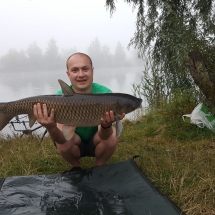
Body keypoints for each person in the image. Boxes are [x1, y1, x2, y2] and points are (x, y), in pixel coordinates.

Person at [33, 52, 125, 170]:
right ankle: (76, 168)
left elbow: (104, 136)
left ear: (92, 71)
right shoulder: (58, 99)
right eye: (75, 70)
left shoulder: (105, 94)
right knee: (63, 143)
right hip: (73, 142)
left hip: (96, 140)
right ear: (68, 74)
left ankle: (99, 166)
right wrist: (51, 127)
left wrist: (106, 126)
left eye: (85, 69)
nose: (81, 74)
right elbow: (61, 139)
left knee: (112, 135)